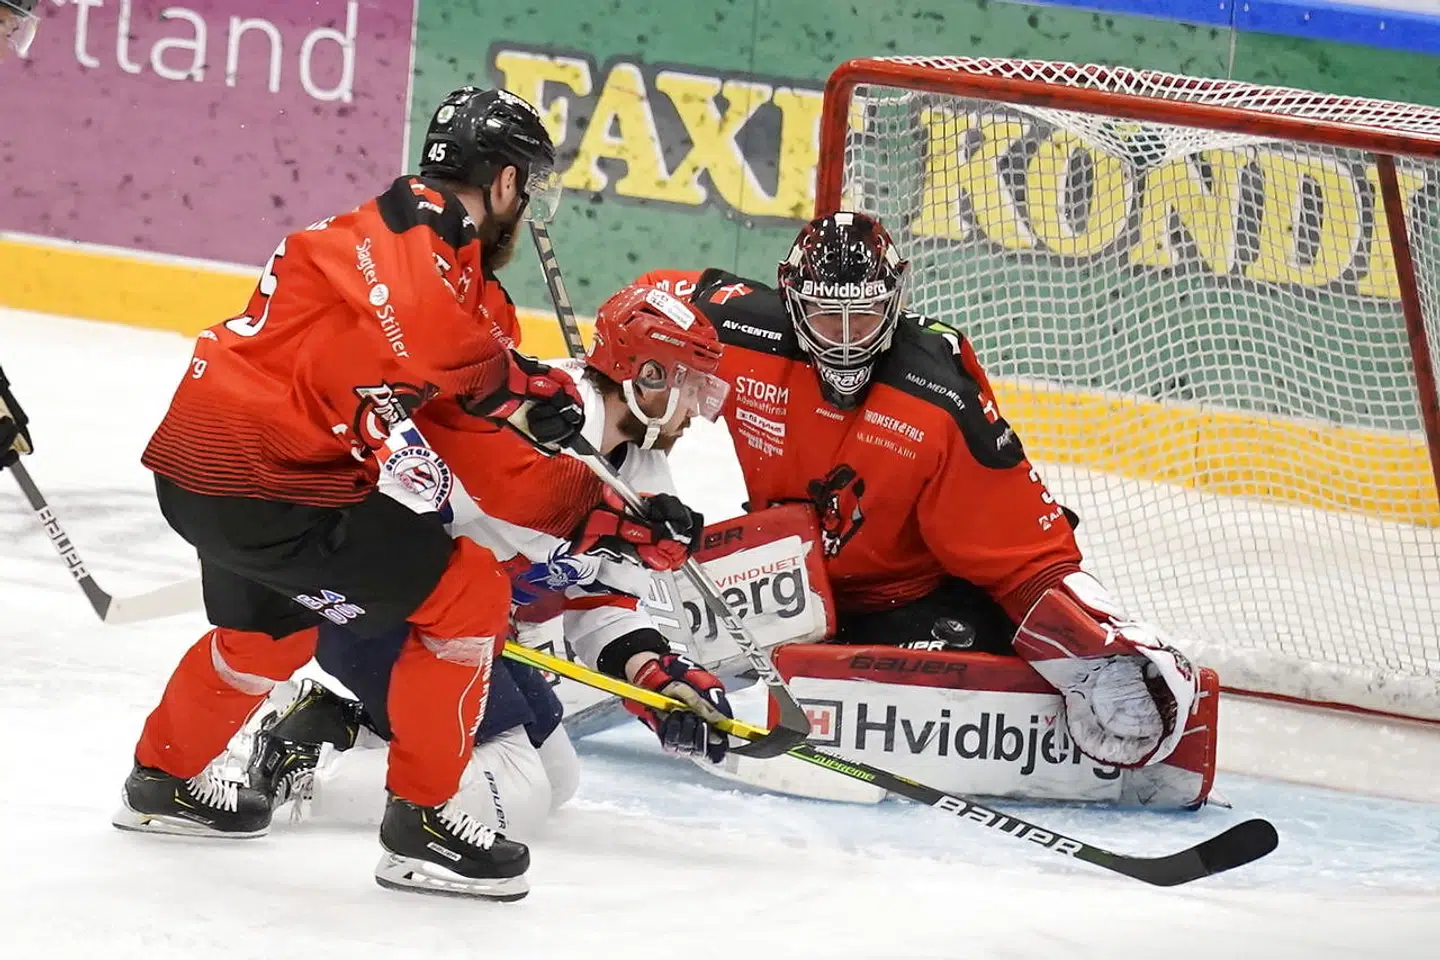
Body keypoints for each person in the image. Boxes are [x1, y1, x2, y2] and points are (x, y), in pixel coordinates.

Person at [114, 86, 605, 902]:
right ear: (507, 182)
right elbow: (434, 338)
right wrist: (521, 386)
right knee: (469, 595)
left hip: (201, 468)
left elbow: (473, 443)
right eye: (529, 189)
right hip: (272, 479)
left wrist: (602, 514)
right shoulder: (417, 225)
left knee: (269, 635)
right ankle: (423, 826)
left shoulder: (431, 264)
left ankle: (162, 780)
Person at [635, 211, 1199, 775]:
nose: (847, 339)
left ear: (896, 301)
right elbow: (642, 305)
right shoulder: (740, 331)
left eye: (866, 314)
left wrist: (1096, 649)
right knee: (639, 606)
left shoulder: (938, 391)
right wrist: (604, 425)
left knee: (959, 663)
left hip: (904, 602)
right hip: (782, 579)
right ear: (792, 302)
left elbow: (1026, 555)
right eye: (828, 316)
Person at [242, 283, 735, 838]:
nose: (698, 411)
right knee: (517, 794)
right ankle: (305, 767)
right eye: (693, 387)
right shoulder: (531, 414)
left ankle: (331, 726)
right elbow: (401, 495)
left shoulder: (641, 469)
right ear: (649, 377)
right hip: (390, 609)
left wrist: (659, 679)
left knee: (557, 777)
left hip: (467, 625)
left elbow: (602, 604)